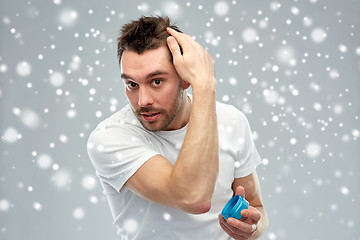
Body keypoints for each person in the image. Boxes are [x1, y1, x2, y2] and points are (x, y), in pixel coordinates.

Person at [87, 16, 268, 240]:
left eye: (156, 81)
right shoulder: (110, 138)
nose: (143, 100)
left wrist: (251, 228)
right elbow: (193, 198)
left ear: (185, 78)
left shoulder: (232, 120)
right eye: (131, 84)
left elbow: (257, 208)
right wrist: (205, 84)